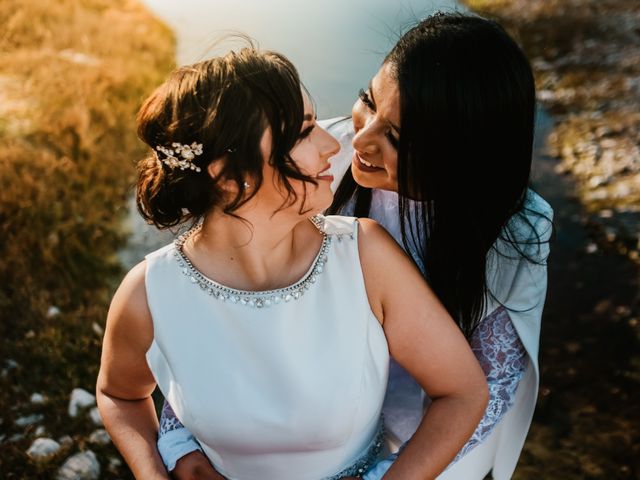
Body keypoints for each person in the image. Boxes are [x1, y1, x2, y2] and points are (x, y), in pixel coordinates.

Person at [159, 12, 553, 480]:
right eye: (368, 100)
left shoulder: (515, 231)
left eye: (398, 137)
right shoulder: (319, 155)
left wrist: (387, 473)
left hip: (433, 439)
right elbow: (221, 281)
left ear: (461, 158)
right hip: (302, 418)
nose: (361, 138)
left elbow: (491, 380)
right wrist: (182, 427)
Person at [96, 47, 488, 480]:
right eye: (303, 133)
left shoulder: (365, 257)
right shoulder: (147, 294)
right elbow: (120, 394)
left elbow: (463, 393)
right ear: (228, 176)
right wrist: (154, 471)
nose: (331, 144)